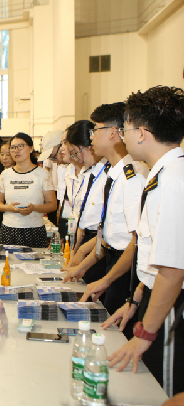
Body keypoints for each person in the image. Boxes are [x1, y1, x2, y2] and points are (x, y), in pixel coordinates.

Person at [101, 86, 184, 397]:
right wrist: (135, 301)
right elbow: (152, 256)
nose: (121, 137)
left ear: (142, 133)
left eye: (125, 130)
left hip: (169, 307)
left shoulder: (172, 180)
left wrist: (145, 334)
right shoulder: (161, 174)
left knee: (159, 391)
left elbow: (173, 271)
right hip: (153, 297)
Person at [70, 103, 148, 323]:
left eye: (95, 130)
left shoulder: (133, 177)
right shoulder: (114, 173)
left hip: (126, 270)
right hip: (111, 262)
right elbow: (108, 236)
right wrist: (82, 265)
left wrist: (106, 280)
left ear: (113, 132)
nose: (91, 137)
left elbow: (135, 242)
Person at [62, 120, 109, 285]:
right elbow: (82, 218)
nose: (77, 159)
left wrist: (81, 251)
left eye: (76, 153)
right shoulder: (88, 172)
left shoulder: (108, 173)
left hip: (100, 244)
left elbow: (109, 229)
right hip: (86, 240)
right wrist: (75, 250)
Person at [0, 132, 57, 247]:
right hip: (9, 229)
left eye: (20, 146)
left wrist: (34, 208)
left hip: (35, 230)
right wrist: (8, 208)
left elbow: (52, 205)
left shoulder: (42, 174)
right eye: (13, 147)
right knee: (10, 259)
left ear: (31, 148)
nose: (16, 151)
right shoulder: (5, 174)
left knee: (35, 259)